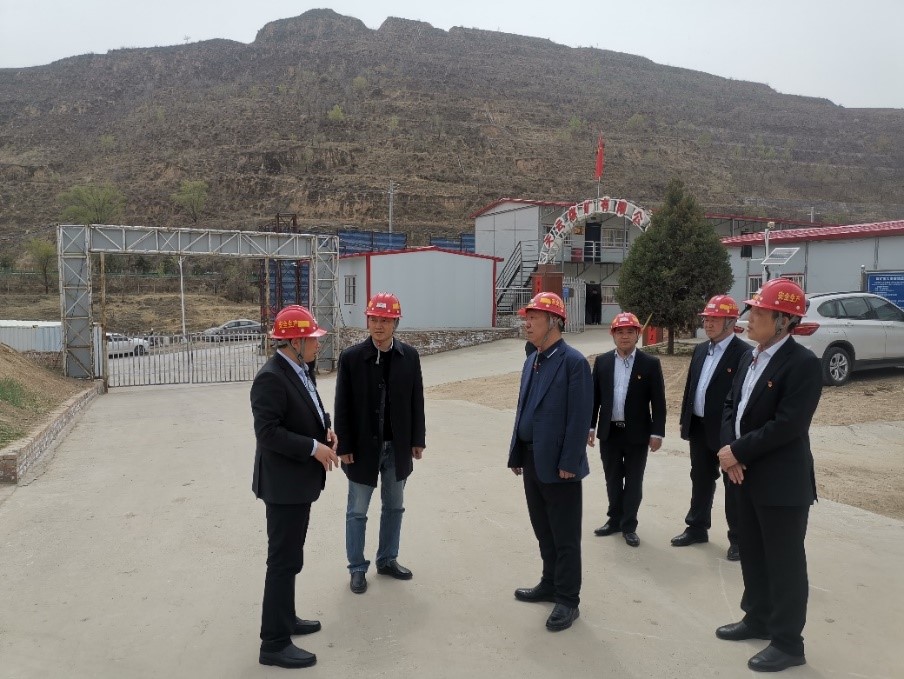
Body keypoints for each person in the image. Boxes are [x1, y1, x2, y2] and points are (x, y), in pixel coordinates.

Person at [715, 278, 822, 672]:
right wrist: (729, 453)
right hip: (742, 476)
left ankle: (789, 643)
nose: (750, 317)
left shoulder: (803, 364)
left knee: (784, 563)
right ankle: (757, 618)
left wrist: (738, 451)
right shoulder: (750, 357)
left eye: (759, 312)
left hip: (780, 483)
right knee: (753, 553)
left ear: (783, 321)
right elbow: (731, 405)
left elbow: (788, 424)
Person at [250, 304, 340, 669]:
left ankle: (286, 618)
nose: (318, 344)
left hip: (298, 484)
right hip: (283, 485)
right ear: (294, 342)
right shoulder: (271, 378)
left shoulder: (300, 369)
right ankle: (273, 642)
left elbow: (312, 408)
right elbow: (268, 433)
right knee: (282, 561)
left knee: (292, 557)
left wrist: (326, 429)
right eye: (312, 339)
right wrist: (313, 448)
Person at [508, 292, 592, 632]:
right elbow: (523, 409)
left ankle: (568, 599)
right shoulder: (533, 360)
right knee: (543, 530)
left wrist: (570, 460)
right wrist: (516, 452)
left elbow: (580, 416)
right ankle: (549, 582)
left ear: (554, 322)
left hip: (560, 464)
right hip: (532, 459)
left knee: (565, 535)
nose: (527, 324)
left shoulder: (573, 362)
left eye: (534, 318)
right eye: (526, 318)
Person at [334, 293, 426, 594]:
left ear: (395, 322)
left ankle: (387, 559)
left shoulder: (409, 356)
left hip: (397, 447)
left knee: (394, 507)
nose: (378, 325)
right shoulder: (351, 358)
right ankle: (357, 568)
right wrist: (344, 445)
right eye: (374, 319)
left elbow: (416, 400)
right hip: (362, 447)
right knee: (357, 510)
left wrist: (417, 439)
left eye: (385, 320)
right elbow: (342, 405)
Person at [672, 295, 750, 560]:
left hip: (726, 431)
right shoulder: (701, 350)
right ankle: (696, 527)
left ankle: (738, 539)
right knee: (700, 477)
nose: (708, 324)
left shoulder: (743, 354)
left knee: (733, 484)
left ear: (731, 321)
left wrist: (737, 436)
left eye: (714, 319)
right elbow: (691, 387)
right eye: (706, 319)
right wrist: (686, 419)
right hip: (699, 426)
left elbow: (742, 397)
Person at [589, 312, 666, 547]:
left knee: (633, 481)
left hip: (637, 434)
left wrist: (657, 433)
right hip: (609, 432)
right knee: (612, 479)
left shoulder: (649, 364)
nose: (625, 336)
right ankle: (614, 520)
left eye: (630, 332)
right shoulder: (602, 362)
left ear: (637, 334)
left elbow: (658, 402)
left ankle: (629, 525)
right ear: (612, 334)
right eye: (620, 332)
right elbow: (594, 399)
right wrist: (590, 427)